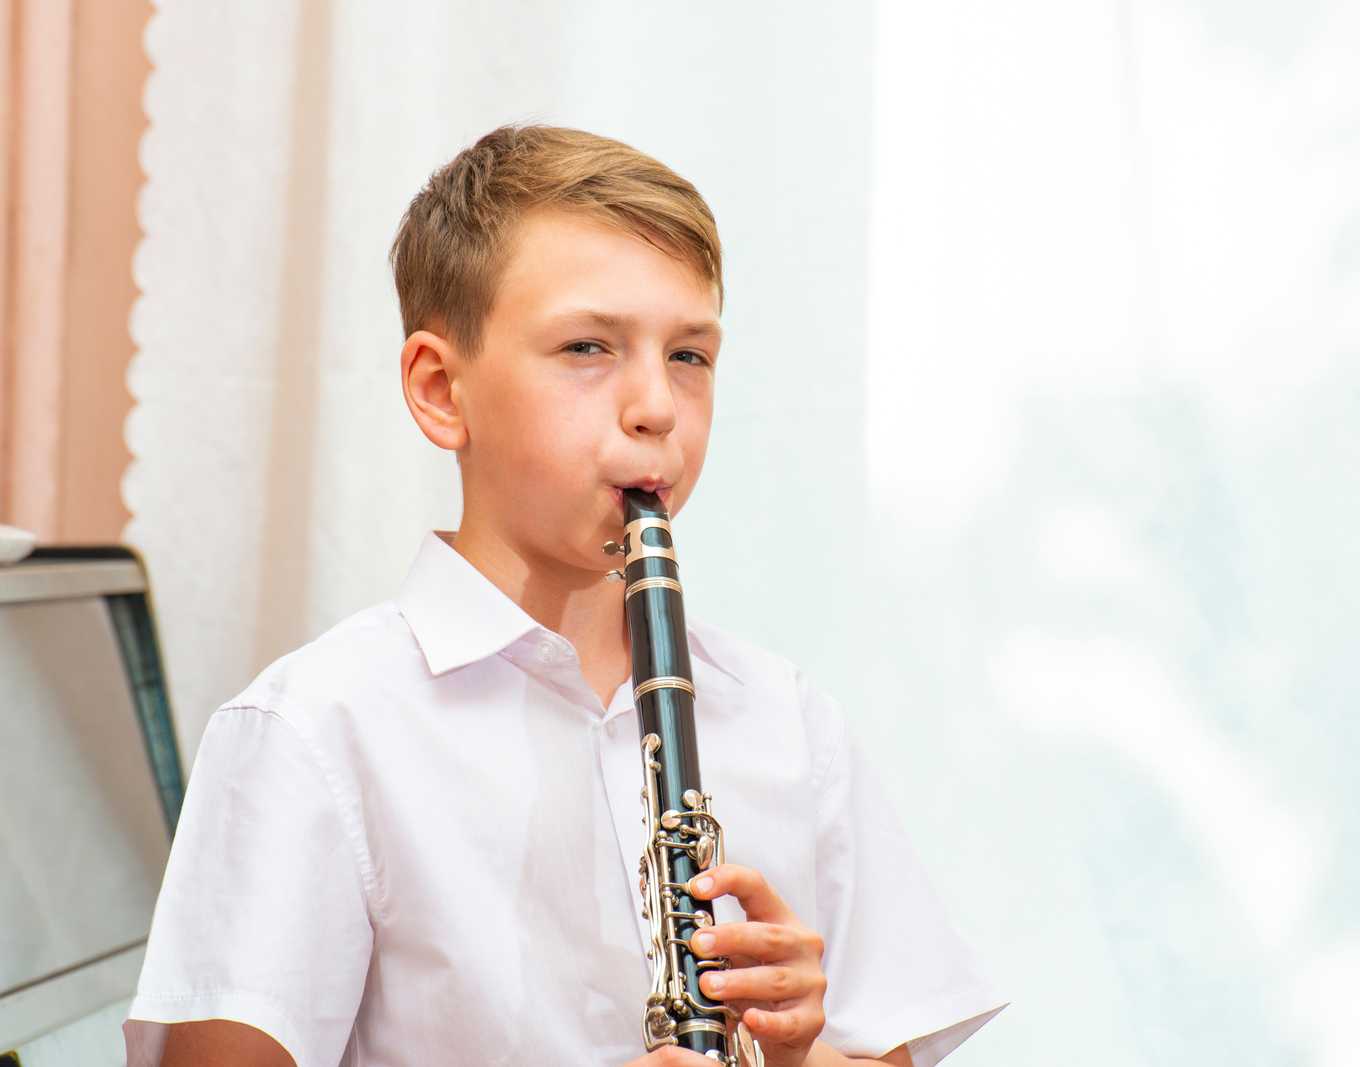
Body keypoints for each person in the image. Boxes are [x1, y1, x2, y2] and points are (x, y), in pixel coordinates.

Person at [123, 124, 1004, 1066]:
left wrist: (793, 1055)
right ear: (440, 390)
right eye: (588, 346)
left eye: (689, 355)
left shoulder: (786, 719)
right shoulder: (314, 733)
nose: (656, 406)